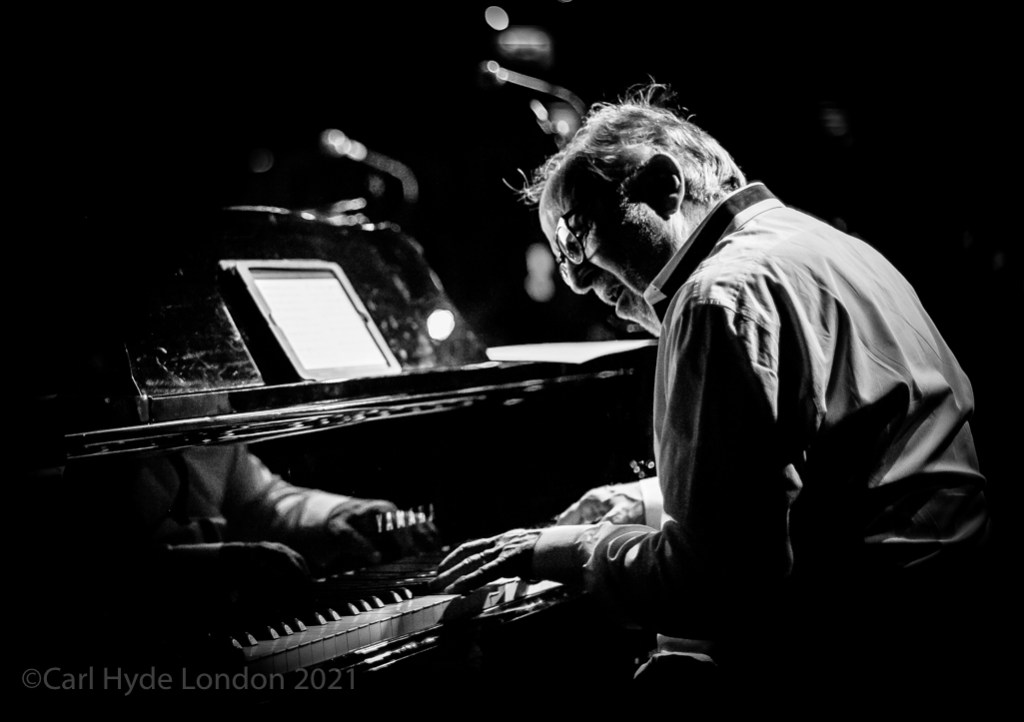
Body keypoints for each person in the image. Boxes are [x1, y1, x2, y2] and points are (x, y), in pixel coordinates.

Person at [434, 84, 993, 695]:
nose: (581, 283)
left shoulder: (713, 297)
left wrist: (569, 548)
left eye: (578, 238)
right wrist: (644, 501)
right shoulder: (831, 248)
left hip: (857, 647)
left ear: (663, 186)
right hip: (944, 618)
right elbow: (827, 457)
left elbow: (716, 582)